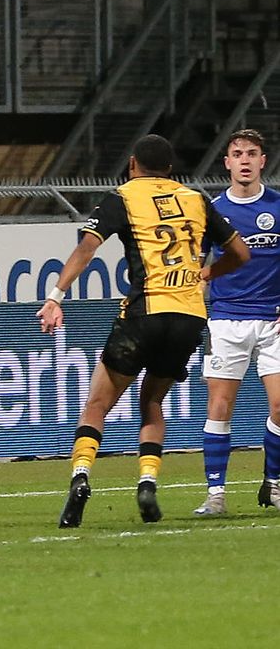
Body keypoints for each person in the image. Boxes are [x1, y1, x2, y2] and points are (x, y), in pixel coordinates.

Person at [36, 134, 250, 528]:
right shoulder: (196, 199)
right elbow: (240, 253)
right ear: (170, 169)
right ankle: (147, 484)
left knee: (97, 404)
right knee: (151, 401)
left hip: (144, 312)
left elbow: (86, 249)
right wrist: (206, 273)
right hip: (188, 317)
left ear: (132, 163)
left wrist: (55, 297)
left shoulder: (124, 196)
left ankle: (81, 476)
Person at [193, 129, 280, 515]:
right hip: (226, 319)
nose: (245, 160)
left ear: (263, 161)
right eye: (238, 153)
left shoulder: (278, 206)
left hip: (273, 321)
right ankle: (216, 495)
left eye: (252, 153)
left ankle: (273, 484)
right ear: (227, 162)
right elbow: (197, 266)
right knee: (220, 405)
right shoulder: (211, 212)